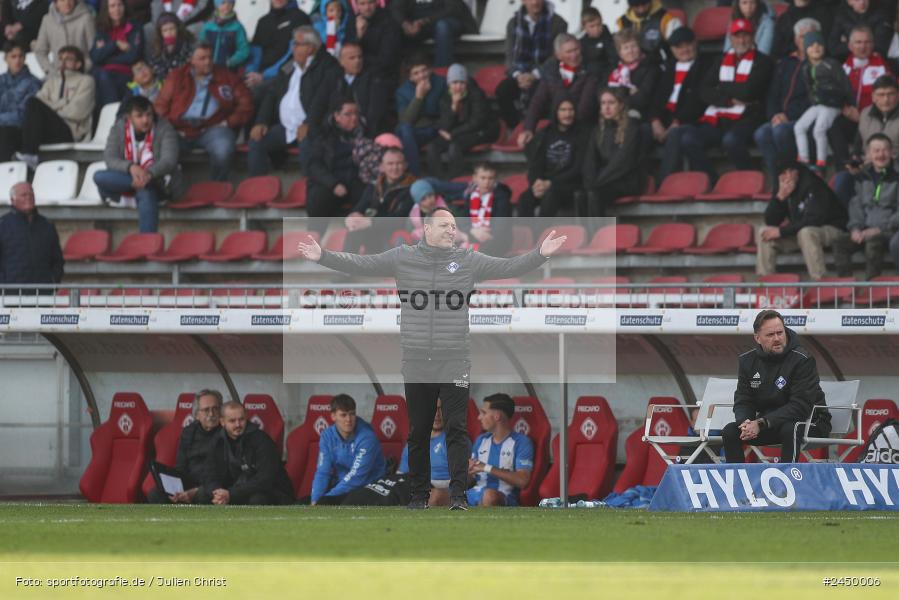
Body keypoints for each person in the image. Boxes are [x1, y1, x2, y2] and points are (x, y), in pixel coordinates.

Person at [297, 211, 567, 510]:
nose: (452, 230)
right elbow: (362, 262)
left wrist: (541, 254)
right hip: (416, 358)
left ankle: (459, 496)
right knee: (419, 430)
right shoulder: (403, 257)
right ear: (426, 228)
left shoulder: (468, 260)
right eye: (445, 225)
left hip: (454, 358)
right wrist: (323, 256)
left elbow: (508, 266)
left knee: (456, 428)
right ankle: (417, 496)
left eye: (454, 225)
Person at [722, 310, 831, 463]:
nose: (777, 338)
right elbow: (743, 399)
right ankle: (738, 482)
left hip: (810, 422)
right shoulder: (747, 361)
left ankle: (787, 481)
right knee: (731, 431)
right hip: (770, 424)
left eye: (780, 333)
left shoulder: (802, 359)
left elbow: (800, 407)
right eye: (770, 335)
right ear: (757, 338)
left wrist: (761, 423)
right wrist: (745, 423)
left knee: (790, 428)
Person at [679, 18, 773, 180]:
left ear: (752, 37)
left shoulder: (763, 61)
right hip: (719, 116)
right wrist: (728, 100)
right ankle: (713, 181)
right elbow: (704, 91)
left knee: (731, 141)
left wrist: (721, 86)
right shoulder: (721, 60)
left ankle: (753, 177)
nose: (741, 40)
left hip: (748, 117)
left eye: (745, 36)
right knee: (688, 139)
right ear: (731, 38)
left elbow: (748, 92)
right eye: (737, 36)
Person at [250, 25, 341, 176]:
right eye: (293, 44)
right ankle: (257, 188)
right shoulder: (289, 66)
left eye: (297, 44)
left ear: (310, 48)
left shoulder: (327, 66)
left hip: (313, 127)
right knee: (256, 140)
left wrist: (309, 124)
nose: (293, 47)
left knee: (308, 145)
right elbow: (272, 94)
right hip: (286, 127)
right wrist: (262, 121)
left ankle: (309, 191)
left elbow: (322, 100)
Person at [155, 42, 252, 182]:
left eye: (210, 57)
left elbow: (246, 105)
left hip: (213, 128)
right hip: (179, 129)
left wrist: (229, 122)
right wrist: (167, 127)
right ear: (191, 60)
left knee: (223, 149)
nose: (208, 62)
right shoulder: (177, 76)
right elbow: (161, 105)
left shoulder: (228, 77)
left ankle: (217, 188)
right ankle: (171, 189)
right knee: (161, 148)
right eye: (202, 58)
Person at [95, 95, 180, 232]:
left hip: (158, 182)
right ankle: (139, 184)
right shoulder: (119, 128)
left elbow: (169, 160)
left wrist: (149, 173)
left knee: (146, 191)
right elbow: (110, 158)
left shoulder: (164, 128)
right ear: (129, 118)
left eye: (149, 115)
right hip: (126, 182)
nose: (145, 120)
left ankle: (147, 245)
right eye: (139, 116)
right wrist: (131, 167)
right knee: (99, 176)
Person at [757, 159, 847, 280]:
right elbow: (771, 221)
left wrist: (781, 232)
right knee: (764, 232)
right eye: (783, 173)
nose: (787, 176)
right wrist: (779, 198)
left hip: (832, 228)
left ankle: (820, 282)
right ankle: (766, 284)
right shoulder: (781, 186)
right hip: (801, 233)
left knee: (807, 232)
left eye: (791, 171)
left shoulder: (813, 184)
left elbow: (814, 220)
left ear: (797, 171)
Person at [754, 17, 819, 183]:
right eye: (802, 37)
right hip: (783, 119)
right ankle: (779, 181)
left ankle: (794, 176)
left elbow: (814, 99)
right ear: (796, 40)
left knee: (780, 132)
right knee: (761, 133)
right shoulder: (784, 63)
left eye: (811, 36)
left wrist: (787, 116)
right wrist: (774, 115)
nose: (807, 41)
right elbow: (773, 94)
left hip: (806, 119)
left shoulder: (820, 65)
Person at [198, 401, 295, 505]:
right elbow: (209, 474)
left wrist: (231, 493)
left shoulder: (261, 440)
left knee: (257, 499)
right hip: (234, 491)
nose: (238, 424)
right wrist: (218, 492)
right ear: (222, 422)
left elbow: (265, 479)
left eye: (241, 419)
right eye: (232, 421)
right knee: (203, 494)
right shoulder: (217, 441)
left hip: (270, 492)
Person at [14, 46, 94, 171]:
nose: (62, 62)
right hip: (49, 128)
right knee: (9, 129)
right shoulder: (52, 81)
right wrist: (62, 103)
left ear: (78, 64)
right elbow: (40, 101)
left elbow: (77, 111)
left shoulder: (86, 81)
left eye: (68, 59)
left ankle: (30, 155)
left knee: (33, 104)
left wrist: (50, 108)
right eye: (60, 59)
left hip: (70, 130)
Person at [833, 133, 899, 278]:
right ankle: (846, 286)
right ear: (868, 154)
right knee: (839, 243)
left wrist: (879, 229)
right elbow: (856, 205)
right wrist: (856, 228)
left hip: (890, 230)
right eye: (876, 151)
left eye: (885, 150)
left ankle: (872, 288)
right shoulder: (862, 177)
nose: (881, 155)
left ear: (892, 152)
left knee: (873, 242)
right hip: (864, 230)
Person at [495, 0, 569, 129]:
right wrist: (518, 75)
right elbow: (509, 56)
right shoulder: (513, 23)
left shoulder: (558, 23)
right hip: (520, 73)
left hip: (545, 73)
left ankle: (537, 130)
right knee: (503, 90)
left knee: (541, 93)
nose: (535, 2)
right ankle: (515, 128)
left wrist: (535, 74)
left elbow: (556, 57)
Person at [649, 27, 711, 182]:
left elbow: (698, 100)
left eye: (688, 44)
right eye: (679, 47)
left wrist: (677, 122)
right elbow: (658, 97)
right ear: (672, 50)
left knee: (678, 135)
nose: (684, 50)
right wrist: (655, 121)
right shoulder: (670, 67)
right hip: (666, 118)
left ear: (695, 43)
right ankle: (638, 183)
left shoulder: (706, 65)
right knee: (641, 131)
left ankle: (663, 183)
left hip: (691, 120)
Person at [828, 25, 893, 170]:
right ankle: (843, 166)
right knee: (833, 125)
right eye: (858, 42)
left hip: (873, 119)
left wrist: (864, 115)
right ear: (850, 46)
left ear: (873, 44)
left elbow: (891, 95)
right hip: (851, 118)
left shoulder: (881, 66)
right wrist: (845, 108)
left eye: (867, 42)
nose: (863, 46)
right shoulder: (844, 67)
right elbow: (834, 93)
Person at [518, 33, 599, 148]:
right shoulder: (551, 70)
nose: (574, 55)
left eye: (576, 49)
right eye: (569, 52)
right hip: (557, 127)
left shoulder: (591, 70)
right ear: (558, 55)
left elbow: (585, 108)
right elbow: (538, 101)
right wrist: (528, 129)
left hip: (583, 129)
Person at [146, 389, 222, 504]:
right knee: (155, 494)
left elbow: (224, 472)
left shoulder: (226, 432)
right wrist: (176, 490)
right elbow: (180, 467)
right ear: (197, 415)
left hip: (213, 484)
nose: (211, 414)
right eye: (206, 410)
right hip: (188, 483)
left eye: (215, 409)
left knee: (204, 495)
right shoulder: (188, 432)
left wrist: (195, 491)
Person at [310, 394, 387, 505]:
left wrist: (328, 498)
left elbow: (357, 476)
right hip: (342, 487)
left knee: (342, 503)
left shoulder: (367, 437)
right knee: (304, 502)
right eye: (343, 415)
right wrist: (315, 500)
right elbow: (323, 472)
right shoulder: (327, 436)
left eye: (352, 414)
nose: (348, 420)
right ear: (333, 416)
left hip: (370, 487)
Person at [793, 30, 853, 171]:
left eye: (819, 44)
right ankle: (803, 158)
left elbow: (846, 85)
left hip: (833, 105)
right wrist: (814, 101)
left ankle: (821, 161)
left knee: (819, 129)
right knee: (799, 126)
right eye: (811, 45)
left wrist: (850, 104)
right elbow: (809, 89)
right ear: (805, 49)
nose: (815, 47)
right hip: (818, 105)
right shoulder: (806, 67)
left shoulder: (831, 64)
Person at [305, 97, 369, 228]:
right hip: (332, 181)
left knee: (368, 196)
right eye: (348, 114)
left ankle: (357, 239)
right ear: (337, 116)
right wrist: (333, 184)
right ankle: (315, 240)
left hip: (357, 181)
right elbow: (314, 165)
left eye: (356, 113)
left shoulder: (366, 134)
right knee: (319, 198)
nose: (354, 117)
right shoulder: (324, 136)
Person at [425, 64, 496, 180]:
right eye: (454, 83)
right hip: (456, 131)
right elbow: (444, 125)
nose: (458, 86)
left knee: (454, 146)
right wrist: (453, 107)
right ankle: (439, 179)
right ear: (449, 84)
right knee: (432, 147)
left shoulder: (476, 94)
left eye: (461, 83)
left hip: (480, 130)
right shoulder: (445, 98)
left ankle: (455, 179)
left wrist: (453, 134)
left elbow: (477, 122)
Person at [581, 87, 643, 219]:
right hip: (603, 180)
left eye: (611, 102)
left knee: (595, 193)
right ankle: (584, 236)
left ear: (621, 105)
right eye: (603, 103)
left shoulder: (632, 127)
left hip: (626, 181)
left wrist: (597, 181)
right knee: (580, 193)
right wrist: (590, 181)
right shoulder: (598, 130)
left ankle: (597, 237)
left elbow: (623, 161)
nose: (606, 107)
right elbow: (589, 160)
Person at [520, 98, 586, 218]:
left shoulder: (583, 134)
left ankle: (541, 235)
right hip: (546, 184)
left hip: (570, 184)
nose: (567, 114)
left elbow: (578, 168)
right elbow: (535, 164)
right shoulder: (545, 133)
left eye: (571, 110)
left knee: (551, 196)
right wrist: (536, 183)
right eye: (563, 110)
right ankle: (525, 236)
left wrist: (550, 183)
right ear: (556, 112)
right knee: (525, 198)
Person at [344, 147, 416, 253]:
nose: (395, 167)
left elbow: (401, 218)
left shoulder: (412, 188)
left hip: (395, 234)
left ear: (405, 165)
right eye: (390, 164)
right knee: (354, 229)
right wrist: (353, 216)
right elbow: (360, 206)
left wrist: (370, 222)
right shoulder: (374, 186)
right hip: (373, 231)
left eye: (399, 163)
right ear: (382, 166)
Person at [467, 393, 534, 507]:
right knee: (436, 494)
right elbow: (471, 479)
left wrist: (486, 467)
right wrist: (466, 471)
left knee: (489, 496)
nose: (479, 417)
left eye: (483, 413)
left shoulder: (521, 442)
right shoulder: (481, 440)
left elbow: (522, 481)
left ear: (497, 416)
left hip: (503, 495)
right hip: (474, 493)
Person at [0, 182, 64, 286]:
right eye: (24, 195)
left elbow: (57, 260)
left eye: (31, 194)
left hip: (42, 293)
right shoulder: (2, 225)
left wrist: (52, 281)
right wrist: (3, 285)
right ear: (13, 200)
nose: (29, 197)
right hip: (9, 295)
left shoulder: (47, 225)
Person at [395, 52, 447, 176]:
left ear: (430, 69)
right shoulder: (402, 92)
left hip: (436, 129)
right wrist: (419, 97)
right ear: (410, 77)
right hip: (416, 132)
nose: (422, 76)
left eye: (424, 70)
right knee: (404, 129)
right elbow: (406, 120)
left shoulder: (441, 83)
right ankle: (415, 175)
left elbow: (443, 111)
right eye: (416, 73)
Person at [243, 0, 311, 93]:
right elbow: (255, 53)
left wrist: (265, 76)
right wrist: (250, 73)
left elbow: (295, 57)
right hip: (260, 75)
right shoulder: (263, 21)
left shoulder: (300, 18)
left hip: (285, 73)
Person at [91, 0, 145, 108]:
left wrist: (106, 56)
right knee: (99, 76)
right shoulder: (102, 29)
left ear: (125, 7)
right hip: (105, 74)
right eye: (112, 6)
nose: (116, 9)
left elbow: (133, 56)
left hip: (126, 73)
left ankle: (112, 114)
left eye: (120, 5)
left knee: (102, 76)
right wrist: (115, 44)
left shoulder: (135, 27)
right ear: (107, 9)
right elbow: (95, 57)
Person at [390, 0, 477, 67]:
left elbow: (452, 9)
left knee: (442, 27)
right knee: (392, 27)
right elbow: (395, 8)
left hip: (448, 20)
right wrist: (405, 24)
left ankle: (441, 74)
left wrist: (424, 21)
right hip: (419, 25)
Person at [397, 398, 450, 507]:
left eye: (441, 409)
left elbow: (465, 478)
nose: (437, 414)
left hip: (441, 490)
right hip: (416, 488)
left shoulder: (454, 441)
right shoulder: (414, 442)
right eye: (433, 409)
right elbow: (401, 476)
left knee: (433, 495)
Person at [335, 42, 388, 136]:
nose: (357, 61)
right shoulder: (334, 80)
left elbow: (375, 114)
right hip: (337, 131)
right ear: (341, 61)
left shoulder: (374, 79)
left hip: (365, 132)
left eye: (360, 57)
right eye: (352, 58)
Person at [0, 41, 42, 162]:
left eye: (21, 56)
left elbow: (23, 116)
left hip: (19, 132)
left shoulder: (33, 83)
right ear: (6, 59)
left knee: (4, 134)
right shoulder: (1, 80)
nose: (17, 60)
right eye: (13, 56)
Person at [607, 28, 660, 120]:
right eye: (626, 48)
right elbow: (604, 91)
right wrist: (628, 90)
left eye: (634, 46)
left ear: (639, 47)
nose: (630, 51)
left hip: (640, 115)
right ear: (620, 52)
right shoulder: (614, 68)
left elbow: (642, 98)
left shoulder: (650, 67)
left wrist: (618, 99)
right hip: (614, 111)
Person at [345, 0, 402, 85]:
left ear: (376, 3)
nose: (367, 8)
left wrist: (360, 62)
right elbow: (348, 54)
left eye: (370, 3)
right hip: (357, 73)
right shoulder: (353, 20)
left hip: (381, 76)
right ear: (357, 5)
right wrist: (359, 35)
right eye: (362, 4)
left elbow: (386, 60)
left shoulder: (389, 21)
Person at [460, 163, 513, 256]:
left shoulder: (502, 197)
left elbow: (501, 228)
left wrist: (476, 236)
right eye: (483, 178)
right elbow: (464, 221)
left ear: (495, 179)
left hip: (495, 240)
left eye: (490, 178)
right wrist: (472, 231)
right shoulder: (470, 196)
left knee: (476, 254)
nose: (487, 182)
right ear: (475, 178)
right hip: (473, 235)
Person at [33, 0, 96, 74]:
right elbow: (40, 51)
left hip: (83, 74)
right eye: (62, 0)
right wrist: (51, 72)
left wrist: (84, 68)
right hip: (58, 76)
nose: (67, 3)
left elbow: (94, 50)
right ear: (56, 3)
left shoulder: (86, 18)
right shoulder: (47, 20)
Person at [614, 0, 683, 65]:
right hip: (630, 70)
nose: (641, 9)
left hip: (659, 66)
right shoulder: (622, 22)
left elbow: (680, 48)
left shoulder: (666, 19)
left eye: (644, 4)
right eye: (636, 6)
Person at [199, 0, 249, 70]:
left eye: (230, 2)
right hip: (208, 68)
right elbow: (200, 46)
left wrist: (230, 62)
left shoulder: (237, 27)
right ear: (217, 4)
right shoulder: (208, 26)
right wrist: (204, 61)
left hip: (227, 70)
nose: (227, 6)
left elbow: (244, 50)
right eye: (223, 3)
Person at [148, 12, 194, 81]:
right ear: (160, 33)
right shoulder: (157, 49)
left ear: (177, 29)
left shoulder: (188, 44)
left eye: (172, 28)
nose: (169, 33)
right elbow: (156, 70)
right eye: (165, 30)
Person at [580, 7, 617, 83]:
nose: (596, 29)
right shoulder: (582, 43)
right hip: (589, 80)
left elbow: (614, 60)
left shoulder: (609, 39)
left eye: (599, 24)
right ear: (584, 27)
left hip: (608, 78)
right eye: (592, 26)